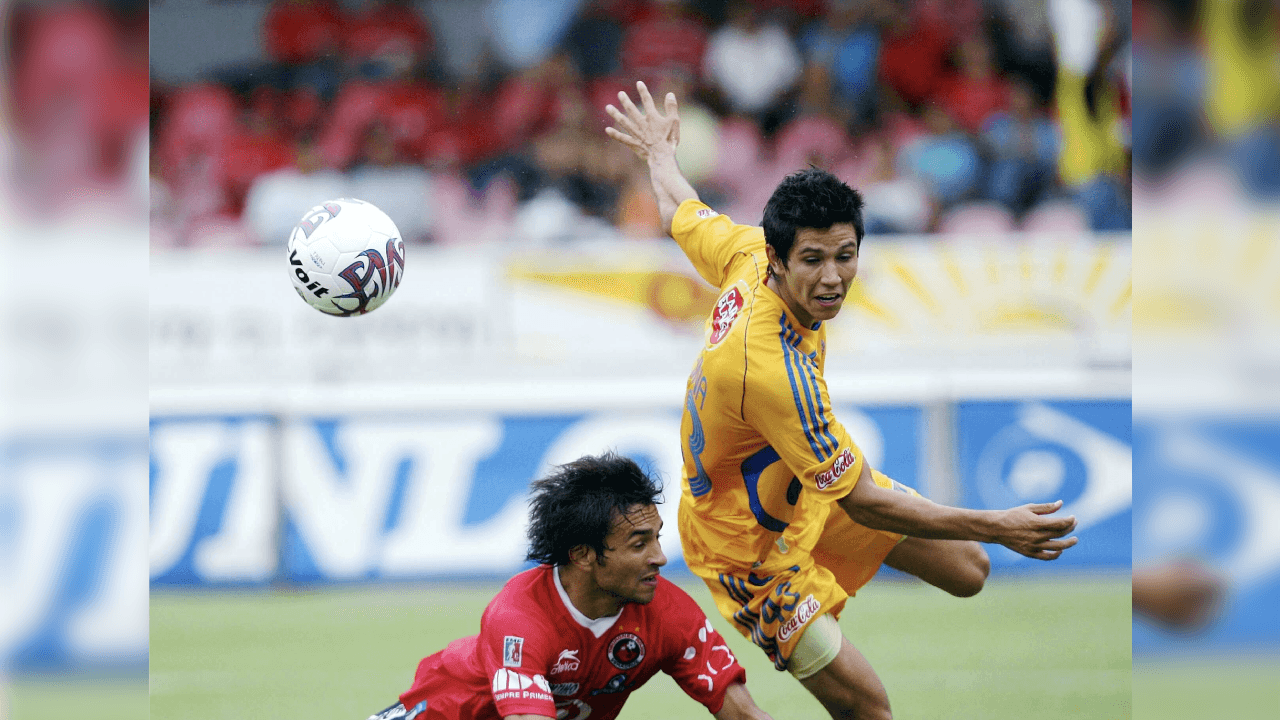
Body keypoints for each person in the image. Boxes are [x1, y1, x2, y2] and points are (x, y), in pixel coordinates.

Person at [604, 81, 1080, 720]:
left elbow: (680, 211)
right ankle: (804, 610)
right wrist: (1002, 524)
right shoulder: (770, 368)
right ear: (778, 259)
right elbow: (858, 498)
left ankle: (830, 578)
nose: (832, 278)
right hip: (748, 548)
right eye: (814, 261)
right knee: (869, 710)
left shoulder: (747, 252)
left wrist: (660, 154)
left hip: (804, 492)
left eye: (845, 256)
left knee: (970, 571)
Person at [366, 452, 773, 720]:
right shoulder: (519, 617)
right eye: (639, 543)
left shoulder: (669, 613)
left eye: (657, 538)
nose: (660, 558)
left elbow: (745, 714)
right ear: (582, 555)